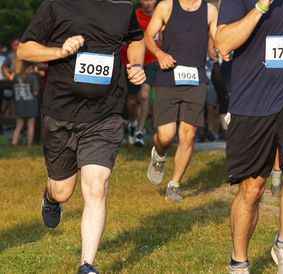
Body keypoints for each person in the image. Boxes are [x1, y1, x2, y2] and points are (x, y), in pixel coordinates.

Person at [17, 0, 146, 272]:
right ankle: (51, 198)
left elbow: (136, 39)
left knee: (97, 186)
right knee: (63, 191)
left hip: (105, 114)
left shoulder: (122, 8)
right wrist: (59, 50)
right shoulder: (56, 5)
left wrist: (135, 64)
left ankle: (87, 265)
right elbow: (24, 50)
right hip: (60, 113)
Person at [216, 0, 283, 272]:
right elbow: (223, 43)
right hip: (252, 100)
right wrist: (260, 7)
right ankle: (239, 261)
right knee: (252, 190)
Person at [145, 0, 218, 201]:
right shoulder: (166, 7)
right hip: (168, 76)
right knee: (166, 136)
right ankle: (159, 155)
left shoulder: (210, 10)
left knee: (188, 135)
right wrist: (159, 54)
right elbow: (148, 37)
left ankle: (174, 185)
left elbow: (218, 37)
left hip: (196, 78)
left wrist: (218, 51)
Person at [129, 0, 159, 147]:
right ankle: (133, 122)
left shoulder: (160, 15)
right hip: (135, 62)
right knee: (132, 101)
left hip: (152, 61)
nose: (148, 3)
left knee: (145, 95)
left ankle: (139, 132)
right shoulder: (134, 16)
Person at [11, 61, 39, 146]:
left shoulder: (16, 76)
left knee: (18, 126)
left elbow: (14, 90)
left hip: (20, 103)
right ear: (31, 67)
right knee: (30, 125)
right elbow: (35, 92)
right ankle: (29, 144)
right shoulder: (32, 77)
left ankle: (14, 143)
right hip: (31, 103)